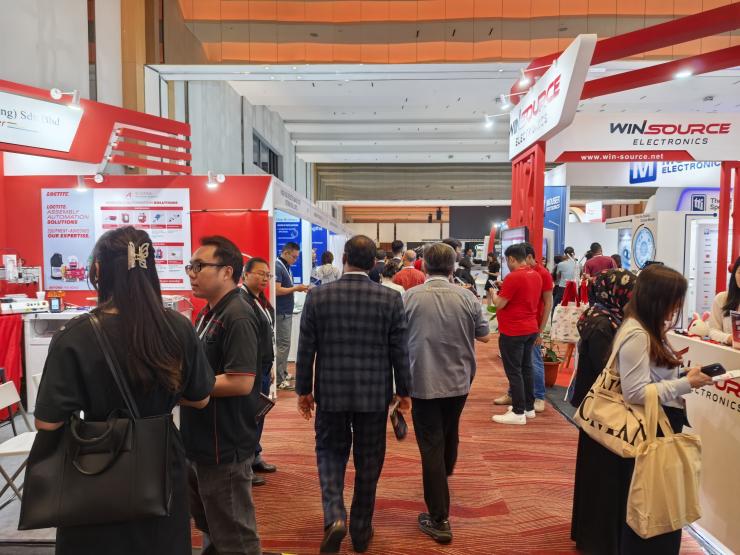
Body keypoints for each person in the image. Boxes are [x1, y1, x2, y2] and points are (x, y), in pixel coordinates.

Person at [33, 227, 214, 555]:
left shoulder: (74, 335)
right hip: (161, 464)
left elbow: (47, 422)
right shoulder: (178, 327)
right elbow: (201, 398)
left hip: (95, 467)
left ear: (98, 270)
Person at [296, 235, 412, 554]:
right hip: (374, 395)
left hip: (330, 392)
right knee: (369, 460)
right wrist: (404, 391)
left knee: (329, 453)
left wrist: (303, 390)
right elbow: (400, 351)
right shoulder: (390, 299)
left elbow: (306, 350)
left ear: (344, 257)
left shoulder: (318, 297)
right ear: (374, 262)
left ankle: (335, 515)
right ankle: (361, 530)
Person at [585, 264, 713, 554]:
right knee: (653, 506)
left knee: (656, 505)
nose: (677, 307)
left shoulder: (644, 328)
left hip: (656, 423)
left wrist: (683, 376)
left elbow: (649, 378)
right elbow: (635, 392)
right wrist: (686, 384)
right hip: (650, 427)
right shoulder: (638, 334)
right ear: (658, 299)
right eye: (675, 300)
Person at [183, 236, 265, 555]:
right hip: (202, 440)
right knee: (213, 527)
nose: (192, 273)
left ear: (227, 271)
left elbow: (241, 381)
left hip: (224, 444)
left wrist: (183, 388)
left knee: (235, 536)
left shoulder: (238, 315)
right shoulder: (209, 312)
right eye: (191, 266)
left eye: (200, 266)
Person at [404, 243, 490, 544]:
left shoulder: (410, 297)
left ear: (424, 266)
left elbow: (397, 336)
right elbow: (484, 335)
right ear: (453, 267)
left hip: (422, 380)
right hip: (459, 380)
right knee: (449, 429)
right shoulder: (467, 297)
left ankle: (439, 518)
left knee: (431, 444)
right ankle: (443, 471)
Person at [570, 268, 636, 554]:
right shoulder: (603, 324)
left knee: (596, 473)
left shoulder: (602, 317)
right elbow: (606, 369)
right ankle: (596, 538)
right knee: (601, 476)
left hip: (597, 408)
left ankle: (591, 534)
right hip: (603, 409)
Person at [493, 243, 553, 413]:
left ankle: (519, 410)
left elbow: (500, 304)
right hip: (529, 327)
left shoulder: (516, 276)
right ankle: (527, 407)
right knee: (526, 368)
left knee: (516, 370)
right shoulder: (535, 275)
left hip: (515, 330)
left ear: (512, 259)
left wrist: (493, 294)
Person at [241, 257, 278, 486]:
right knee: (250, 417)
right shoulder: (242, 301)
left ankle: (254, 455)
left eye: (267, 275)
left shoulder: (259, 300)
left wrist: (270, 364)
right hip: (252, 369)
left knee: (259, 414)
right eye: (260, 274)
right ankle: (244, 465)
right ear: (245, 274)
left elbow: (267, 335)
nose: (265, 278)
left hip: (263, 365)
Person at [275, 241, 310, 390]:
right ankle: (278, 379)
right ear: (286, 253)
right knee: (283, 345)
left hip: (286, 310)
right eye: (294, 257)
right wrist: (296, 288)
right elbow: (276, 290)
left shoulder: (285, 266)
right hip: (281, 312)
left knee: (285, 344)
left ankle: (282, 372)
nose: (295, 260)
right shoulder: (278, 266)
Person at [707, 256, 740, 345]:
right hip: (727, 351)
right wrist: (729, 338)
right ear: (734, 274)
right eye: (739, 272)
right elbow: (712, 330)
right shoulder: (722, 298)